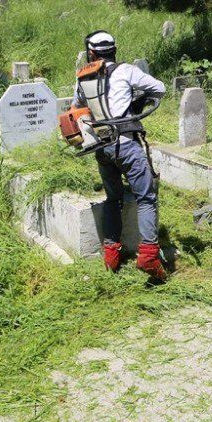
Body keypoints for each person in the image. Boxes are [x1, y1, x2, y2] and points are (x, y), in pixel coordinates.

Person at [72, 31, 169, 281]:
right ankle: (148, 254)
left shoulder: (82, 77)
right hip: (126, 144)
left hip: (101, 147)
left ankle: (111, 256)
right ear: (114, 50)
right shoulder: (126, 71)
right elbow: (160, 88)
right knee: (146, 197)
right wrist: (137, 101)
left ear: (91, 53)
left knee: (113, 198)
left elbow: (76, 109)